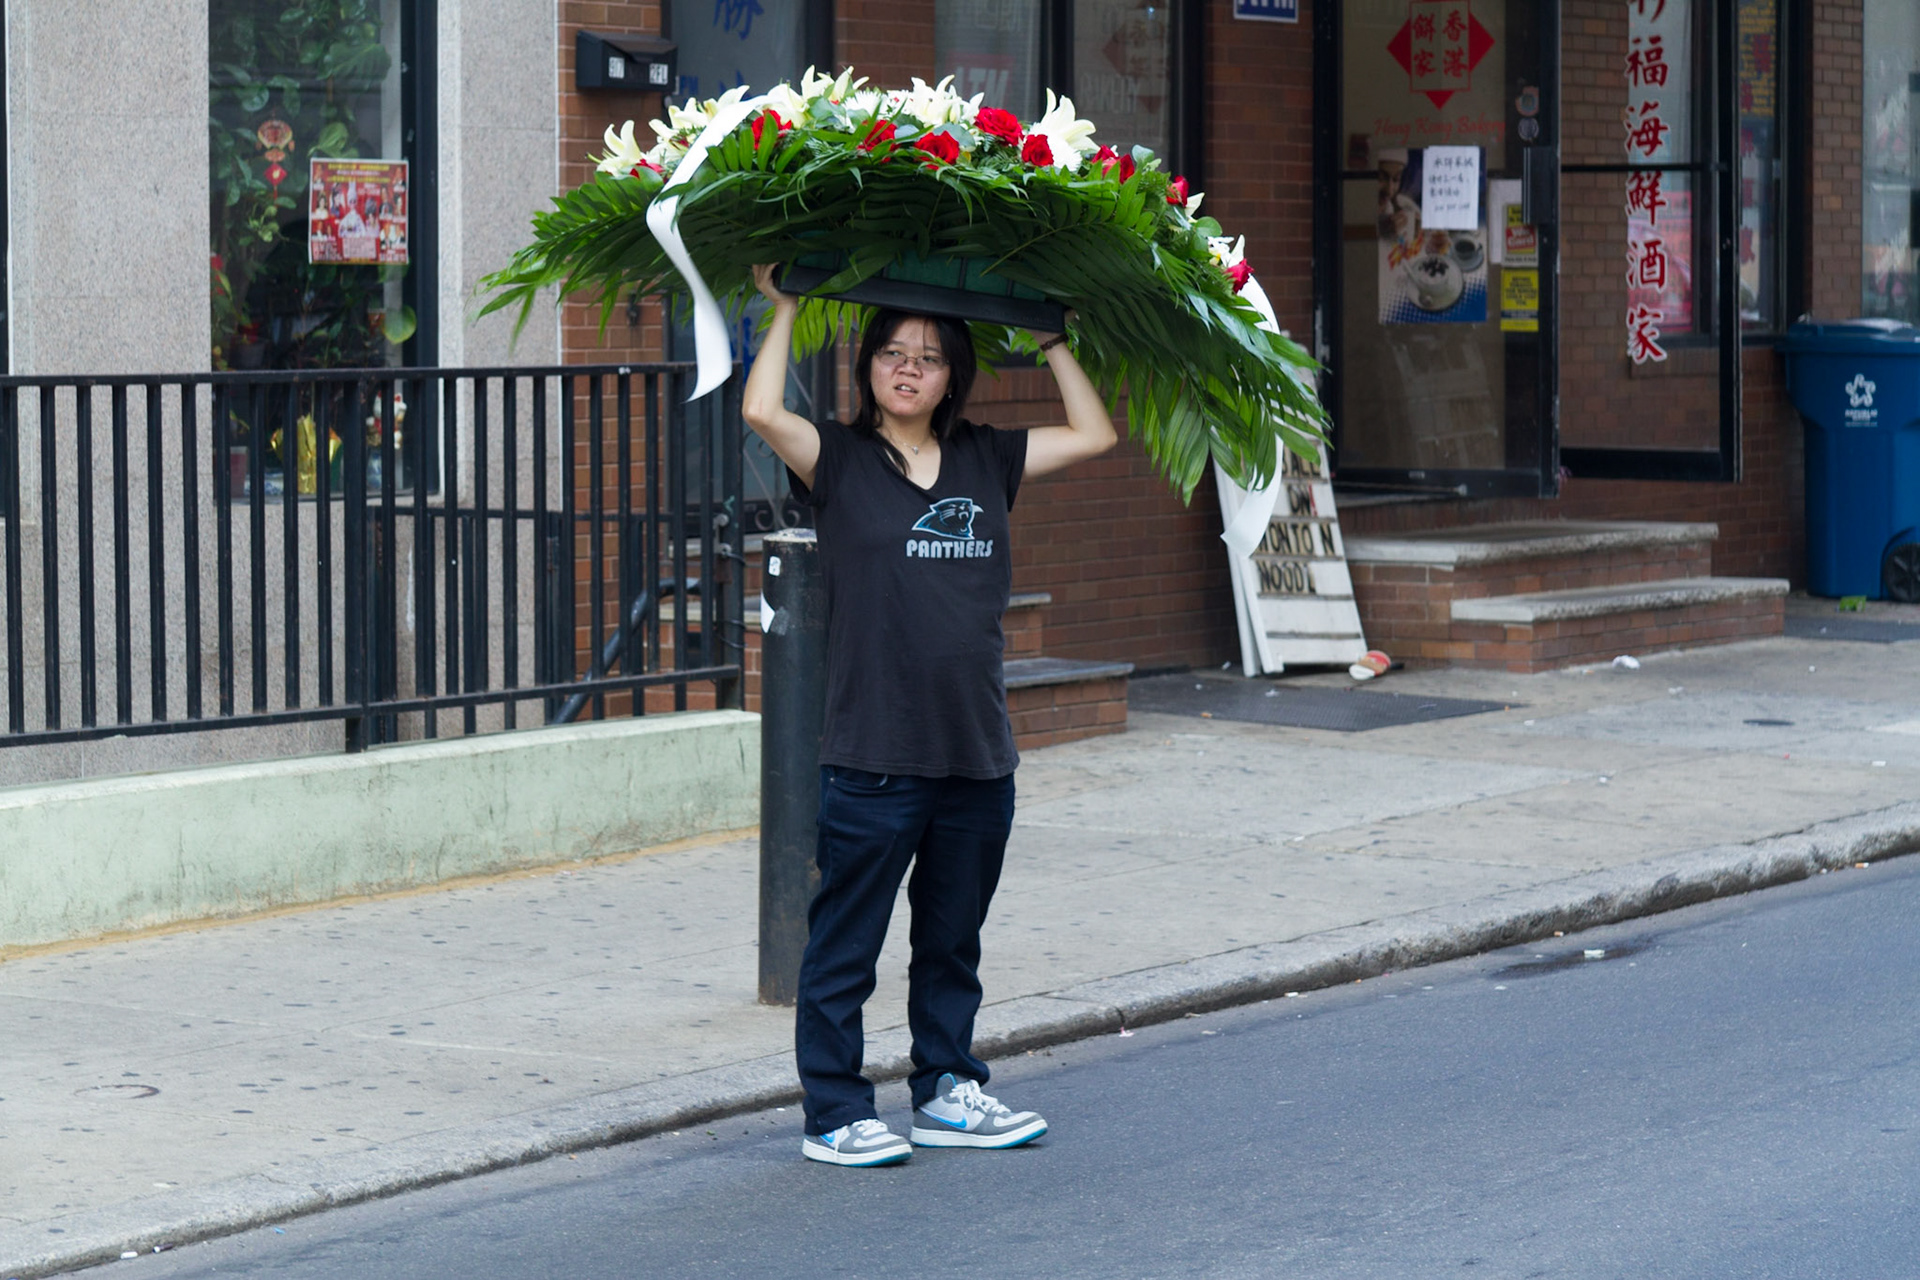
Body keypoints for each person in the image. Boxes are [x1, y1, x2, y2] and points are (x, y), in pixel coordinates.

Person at [744, 263, 1117, 1167]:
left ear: (954, 377)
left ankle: (948, 1088)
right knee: (846, 949)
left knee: (952, 943)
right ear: (868, 365)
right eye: (893, 355)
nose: (909, 371)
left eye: (931, 359)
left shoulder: (989, 457)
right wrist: (786, 303)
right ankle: (835, 1113)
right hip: (875, 754)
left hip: (976, 753)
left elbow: (1095, 432)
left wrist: (1053, 337)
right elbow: (761, 411)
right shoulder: (835, 459)